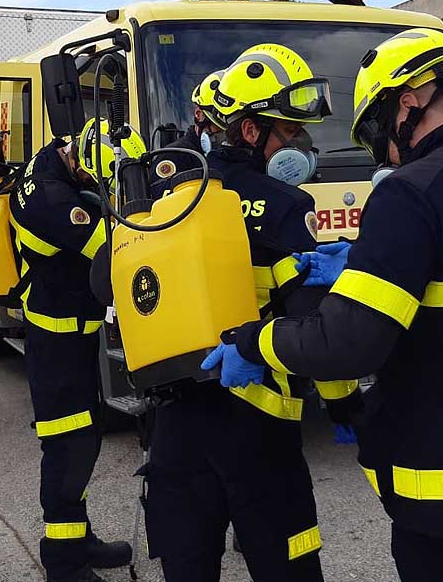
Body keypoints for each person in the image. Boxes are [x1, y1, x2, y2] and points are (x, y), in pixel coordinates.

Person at [209, 28, 443, 582]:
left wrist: (254, 341)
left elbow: (346, 343)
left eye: (376, 130)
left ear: (407, 104)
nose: (385, 150)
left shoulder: (414, 190)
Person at [144, 44, 360, 582]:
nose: (298, 144)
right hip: (259, 425)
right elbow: (315, 326)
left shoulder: (164, 198)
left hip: (175, 417)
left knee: (188, 563)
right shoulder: (287, 206)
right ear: (248, 132)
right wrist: (347, 410)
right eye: (287, 132)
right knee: (286, 564)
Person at [9, 118, 143, 582]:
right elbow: (117, 254)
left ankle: (77, 539)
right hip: (56, 338)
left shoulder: (53, 162)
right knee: (71, 446)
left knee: (84, 435)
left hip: (70, 328)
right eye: (98, 184)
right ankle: (63, 562)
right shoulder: (54, 201)